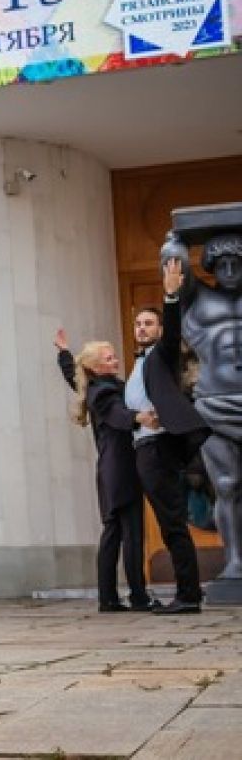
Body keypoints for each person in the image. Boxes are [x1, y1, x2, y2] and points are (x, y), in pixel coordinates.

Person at [124, 260, 211, 613]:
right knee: (168, 521)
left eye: (149, 324)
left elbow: (174, 334)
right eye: (139, 324)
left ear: (159, 331)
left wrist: (171, 296)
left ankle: (188, 596)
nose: (143, 329)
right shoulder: (138, 364)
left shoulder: (161, 354)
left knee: (173, 523)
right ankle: (187, 593)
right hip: (144, 446)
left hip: (158, 446)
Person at [55, 329, 156, 612]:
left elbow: (72, 374)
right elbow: (117, 414)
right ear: (96, 367)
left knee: (113, 532)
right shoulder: (105, 391)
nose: (115, 361)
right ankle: (138, 596)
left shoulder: (92, 386)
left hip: (110, 469)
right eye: (109, 358)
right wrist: (139, 417)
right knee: (131, 533)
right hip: (122, 469)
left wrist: (64, 352)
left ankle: (108, 598)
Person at [163, 232, 242, 581]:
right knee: (227, 484)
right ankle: (236, 560)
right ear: (209, 266)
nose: (228, 269)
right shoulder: (197, 301)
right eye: (220, 263)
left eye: (235, 262)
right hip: (216, 403)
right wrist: (177, 236)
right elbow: (173, 263)